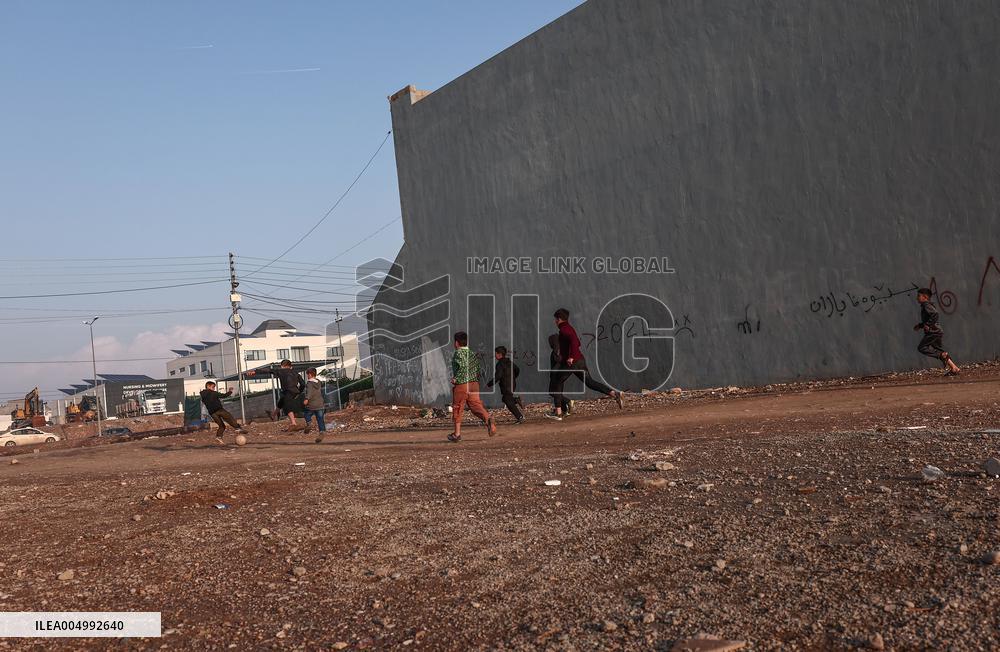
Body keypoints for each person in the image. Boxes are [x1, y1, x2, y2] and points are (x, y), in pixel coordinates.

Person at [547, 308, 625, 421]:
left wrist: (571, 357)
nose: (555, 321)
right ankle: (615, 394)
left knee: (557, 383)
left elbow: (574, 341)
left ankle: (558, 413)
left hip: (572, 363)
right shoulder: (569, 328)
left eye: (555, 319)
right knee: (590, 382)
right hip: (580, 361)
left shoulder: (564, 330)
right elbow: (577, 342)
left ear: (559, 319)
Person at [449, 331, 496, 441]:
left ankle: (457, 434)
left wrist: (457, 378)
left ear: (456, 343)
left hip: (462, 385)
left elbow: (463, 366)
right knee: (476, 406)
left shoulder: (458, 353)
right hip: (474, 384)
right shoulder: (472, 353)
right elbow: (478, 370)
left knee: (458, 408)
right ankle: (488, 419)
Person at [248, 360, 305, 430]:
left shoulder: (281, 371)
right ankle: (273, 414)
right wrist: (299, 392)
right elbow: (303, 384)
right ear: (291, 367)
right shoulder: (296, 373)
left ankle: (293, 423)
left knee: (287, 405)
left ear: (282, 366)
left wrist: (255, 371)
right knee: (281, 401)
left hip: (288, 391)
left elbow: (268, 370)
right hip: (294, 392)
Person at [915, 288, 961, 375]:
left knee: (922, 348)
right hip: (936, 331)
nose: (916, 298)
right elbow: (929, 318)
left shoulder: (926, 305)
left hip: (933, 332)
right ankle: (954, 368)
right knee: (939, 351)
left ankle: (942, 356)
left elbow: (935, 314)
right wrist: (920, 325)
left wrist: (928, 325)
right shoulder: (926, 305)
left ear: (925, 297)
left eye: (918, 296)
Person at [487, 346, 524, 423]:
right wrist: (513, 377)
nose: (495, 355)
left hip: (506, 385)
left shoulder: (500, 364)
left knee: (508, 401)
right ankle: (516, 400)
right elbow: (517, 369)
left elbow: (498, 376)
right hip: (512, 384)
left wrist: (489, 384)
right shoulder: (510, 362)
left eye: (496, 353)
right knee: (505, 399)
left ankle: (520, 417)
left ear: (500, 354)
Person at [546, 333, 572, 417]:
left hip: (556, 375)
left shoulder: (556, 351)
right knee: (557, 393)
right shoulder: (561, 349)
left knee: (553, 392)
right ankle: (564, 410)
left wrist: (553, 372)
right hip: (560, 374)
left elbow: (558, 362)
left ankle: (567, 403)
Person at [302, 367, 327, 442]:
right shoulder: (318, 382)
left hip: (311, 404)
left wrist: (306, 399)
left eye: (307, 375)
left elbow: (309, 392)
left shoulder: (309, 383)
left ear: (309, 374)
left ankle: (309, 423)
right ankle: (322, 431)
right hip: (320, 404)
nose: (307, 376)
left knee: (306, 414)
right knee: (320, 419)